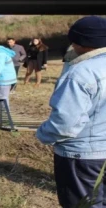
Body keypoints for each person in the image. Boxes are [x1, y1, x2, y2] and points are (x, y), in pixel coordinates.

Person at [37, 16, 106, 208]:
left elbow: (65, 124)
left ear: (79, 42)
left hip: (83, 157)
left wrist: (43, 134)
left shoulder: (81, 72)